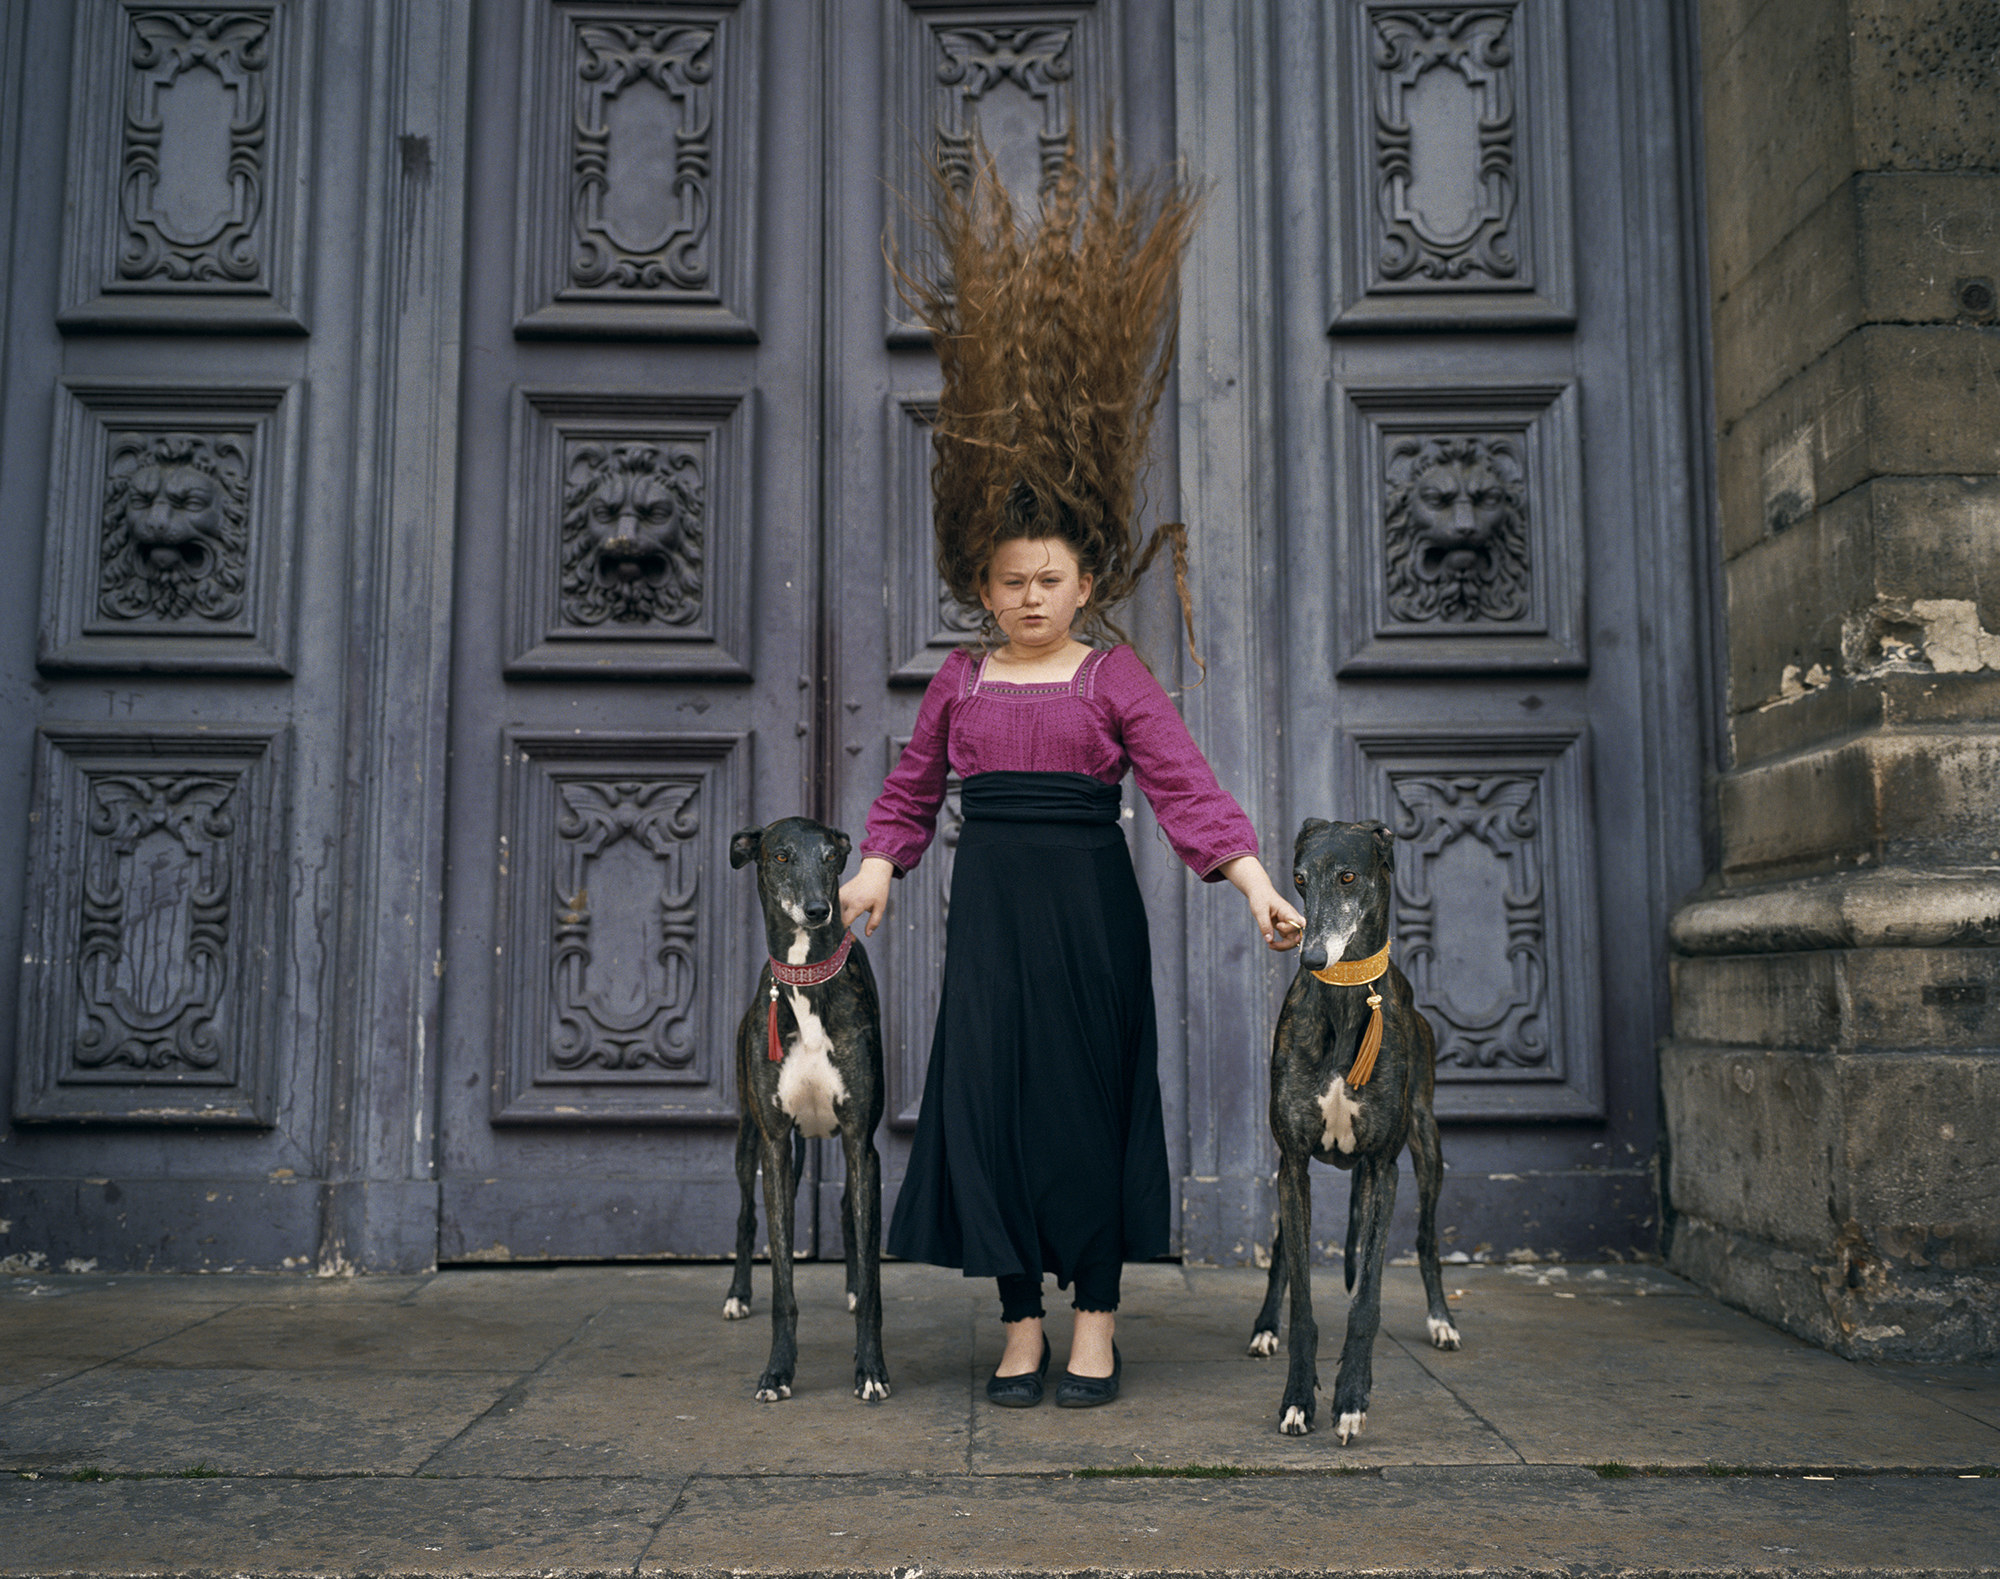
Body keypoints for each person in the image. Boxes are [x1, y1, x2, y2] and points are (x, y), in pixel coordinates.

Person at [838, 137, 1304, 1409]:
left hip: (1091, 919)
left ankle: (1095, 1316)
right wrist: (877, 866)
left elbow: (1183, 789)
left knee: (1085, 1107)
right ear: (980, 587)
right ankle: (1018, 1323)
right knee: (987, 1104)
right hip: (990, 921)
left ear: (1084, 583)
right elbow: (911, 793)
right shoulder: (957, 680)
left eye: (1051, 579)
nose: (1030, 596)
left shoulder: (1111, 679)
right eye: (1009, 581)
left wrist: (1253, 882)